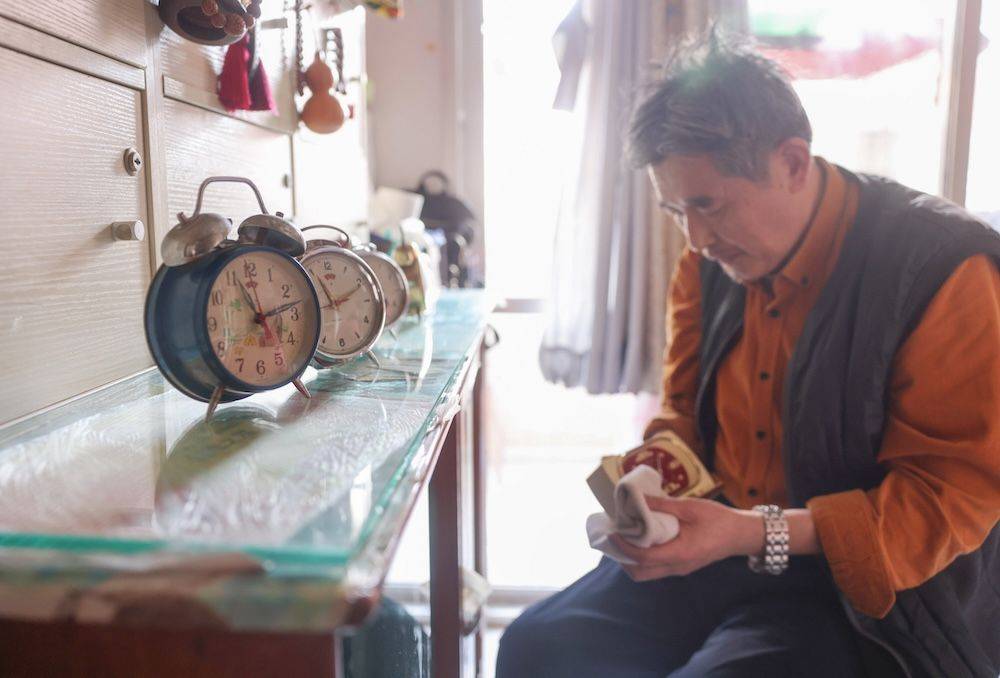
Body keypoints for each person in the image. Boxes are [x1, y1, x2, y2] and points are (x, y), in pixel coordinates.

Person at [496, 33, 1000, 678]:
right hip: (717, 545)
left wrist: (752, 532)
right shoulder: (710, 261)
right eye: (676, 210)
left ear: (792, 162)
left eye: (708, 205)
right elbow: (683, 413)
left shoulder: (941, 271)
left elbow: (946, 498)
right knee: (536, 646)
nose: (695, 239)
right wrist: (649, 483)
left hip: (854, 591)